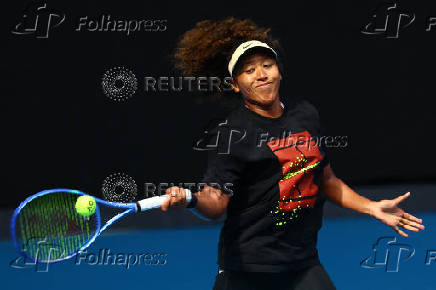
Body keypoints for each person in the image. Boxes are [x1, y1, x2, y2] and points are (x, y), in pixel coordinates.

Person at [159, 18, 425, 290]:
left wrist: (372, 207)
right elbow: (216, 201)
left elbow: (326, 179)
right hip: (248, 269)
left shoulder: (305, 114)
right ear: (235, 85)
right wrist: (190, 198)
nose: (261, 74)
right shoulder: (231, 134)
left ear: (279, 72)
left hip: (302, 263)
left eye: (267, 65)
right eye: (249, 70)